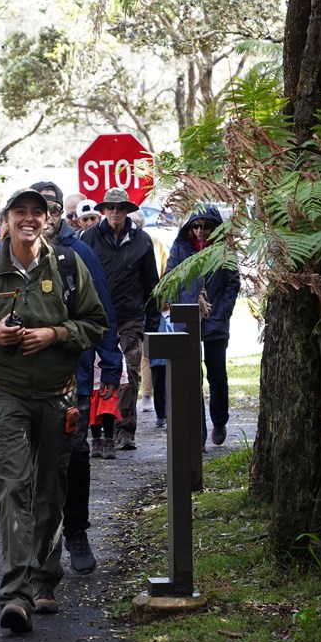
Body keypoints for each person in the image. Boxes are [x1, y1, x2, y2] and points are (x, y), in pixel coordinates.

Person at [0, 188, 108, 634]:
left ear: (49, 220)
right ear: (7, 219)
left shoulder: (67, 267)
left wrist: (55, 334)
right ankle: (15, 594)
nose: (30, 219)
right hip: (5, 394)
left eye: (38, 213)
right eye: (21, 212)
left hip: (58, 395)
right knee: (12, 487)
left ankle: (45, 579)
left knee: (50, 491)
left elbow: (96, 324)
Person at [36, 182, 122, 576]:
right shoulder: (8, 255)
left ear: (60, 215)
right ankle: (40, 543)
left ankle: (76, 530)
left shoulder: (79, 253)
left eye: (53, 209)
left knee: (76, 452)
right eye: (38, 210)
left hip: (75, 375)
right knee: (35, 461)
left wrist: (110, 362)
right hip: (25, 380)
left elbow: (102, 312)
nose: (46, 217)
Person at [78, 186, 160, 452]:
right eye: (111, 207)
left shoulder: (142, 240)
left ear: (127, 210)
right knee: (94, 374)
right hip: (95, 316)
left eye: (120, 207)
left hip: (129, 317)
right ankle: (99, 430)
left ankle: (126, 430)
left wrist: (153, 320)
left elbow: (151, 283)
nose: (115, 212)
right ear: (103, 210)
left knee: (130, 371)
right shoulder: (88, 238)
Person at [165, 205, 241, 446]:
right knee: (191, 376)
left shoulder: (224, 250)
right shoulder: (180, 248)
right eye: (196, 226)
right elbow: (170, 281)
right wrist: (179, 310)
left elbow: (232, 283)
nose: (200, 231)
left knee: (216, 373)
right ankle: (196, 431)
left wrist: (223, 313)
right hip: (187, 319)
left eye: (206, 226)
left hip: (215, 319)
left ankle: (219, 421)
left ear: (216, 227)